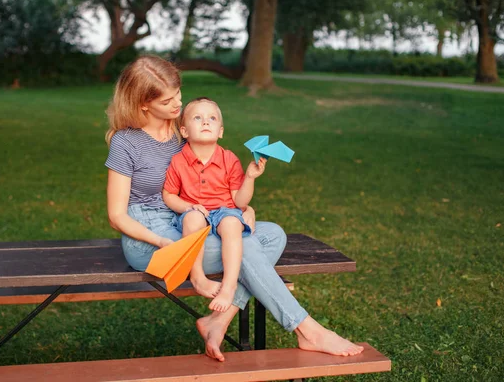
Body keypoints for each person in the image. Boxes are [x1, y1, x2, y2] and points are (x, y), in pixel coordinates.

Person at [105, 55, 364, 362]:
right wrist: (167, 244)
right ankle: (307, 330)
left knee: (273, 235)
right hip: (148, 237)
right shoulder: (126, 142)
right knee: (246, 246)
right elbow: (116, 216)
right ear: (144, 104)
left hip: (189, 220)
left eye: (178, 95)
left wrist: (240, 210)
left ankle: (220, 318)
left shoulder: (183, 130)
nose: (177, 105)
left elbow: (211, 182)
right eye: (167, 101)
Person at [162, 97, 267, 313]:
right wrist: (187, 207)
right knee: (192, 218)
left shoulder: (229, 159)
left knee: (231, 223)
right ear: (184, 131)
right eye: (197, 118)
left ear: (220, 131)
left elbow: (240, 202)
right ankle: (197, 276)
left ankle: (229, 286)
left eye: (212, 118)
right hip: (195, 210)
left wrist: (249, 177)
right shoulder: (178, 161)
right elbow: (169, 195)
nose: (205, 122)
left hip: (225, 210)